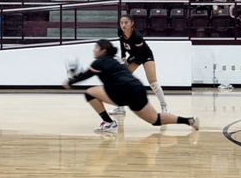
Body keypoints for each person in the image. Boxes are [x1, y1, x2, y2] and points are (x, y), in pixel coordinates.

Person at [62, 40, 199, 134]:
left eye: (96, 48)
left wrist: (70, 82)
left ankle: (109, 123)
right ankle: (188, 120)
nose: (94, 50)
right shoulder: (115, 60)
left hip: (122, 91)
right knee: (155, 120)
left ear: (103, 50)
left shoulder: (99, 62)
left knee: (89, 93)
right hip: (137, 88)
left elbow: (85, 75)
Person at [111, 14, 168, 115]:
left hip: (145, 56)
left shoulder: (137, 36)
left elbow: (140, 54)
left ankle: (164, 107)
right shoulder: (120, 32)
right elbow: (122, 44)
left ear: (132, 23)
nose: (123, 25)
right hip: (134, 56)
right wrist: (123, 56)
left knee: (153, 83)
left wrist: (127, 61)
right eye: (121, 23)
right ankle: (120, 108)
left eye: (126, 23)